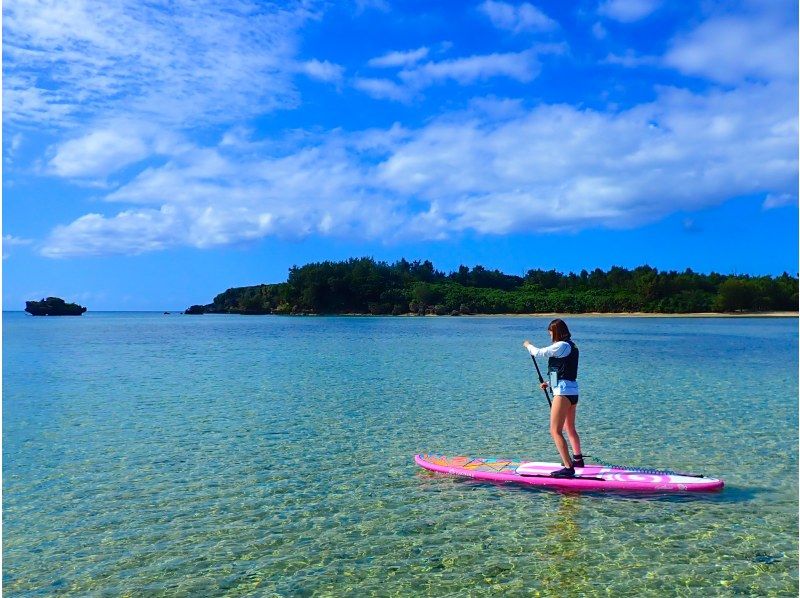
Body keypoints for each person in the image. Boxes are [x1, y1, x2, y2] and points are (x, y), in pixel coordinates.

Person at [523, 319, 584, 478]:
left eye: (551, 332)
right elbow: (564, 371)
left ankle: (568, 468)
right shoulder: (571, 346)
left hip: (563, 393)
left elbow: (539, 352)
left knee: (555, 430)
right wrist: (549, 384)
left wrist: (528, 345)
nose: (550, 335)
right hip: (572, 391)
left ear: (556, 332)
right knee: (569, 428)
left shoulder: (562, 345)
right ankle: (578, 460)